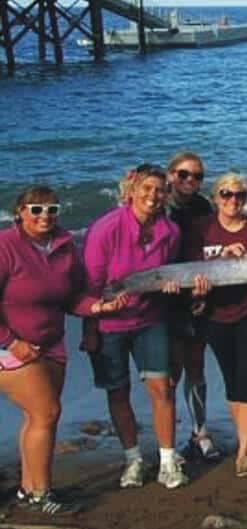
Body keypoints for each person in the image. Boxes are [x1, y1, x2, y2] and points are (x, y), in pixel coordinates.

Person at [1, 186, 124, 513]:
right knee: (47, 412)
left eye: (51, 209)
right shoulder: (5, 246)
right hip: (10, 345)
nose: (44, 216)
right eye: (36, 209)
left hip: (51, 343)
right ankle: (42, 495)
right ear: (20, 212)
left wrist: (99, 307)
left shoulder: (65, 245)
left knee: (37, 417)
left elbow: (72, 298)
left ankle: (29, 490)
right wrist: (12, 343)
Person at [83, 164, 191, 489]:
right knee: (118, 392)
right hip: (109, 322)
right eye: (146, 189)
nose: (153, 196)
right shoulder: (105, 228)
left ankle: (168, 462)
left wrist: (171, 287)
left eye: (159, 190)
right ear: (131, 191)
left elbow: (166, 274)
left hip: (150, 319)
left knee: (162, 387)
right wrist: (91, 326)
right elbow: (90, 283)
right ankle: (133, 459)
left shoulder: (170, 232)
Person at [185, 172, 247, 477]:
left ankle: (243, 452)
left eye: (239, 195)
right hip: (215, 315)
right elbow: (189, 266)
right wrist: (220, 258)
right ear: (215, 198)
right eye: (226, 194)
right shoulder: (201, 229)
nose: (233, 200)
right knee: (233, 380)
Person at [164, 151, 219, 462]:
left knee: (196, 366)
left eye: (197, 176)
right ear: (171, 175)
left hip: (196, 293)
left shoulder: (202, 207)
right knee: (170, 371)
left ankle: (200, 432)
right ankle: (168, 440)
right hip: (165, 297)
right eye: (184, 174)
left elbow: (208, 248)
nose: (190, 181)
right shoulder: (160, 205)